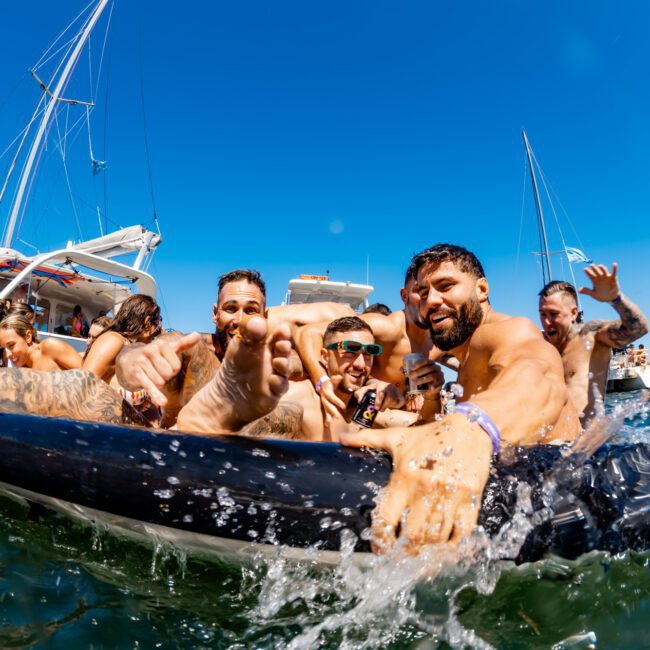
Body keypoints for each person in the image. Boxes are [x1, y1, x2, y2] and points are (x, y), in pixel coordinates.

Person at [338, 243, 580, 554]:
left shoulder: (507, 331)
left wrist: (470, 427)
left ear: (481, 289)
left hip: (558, 502)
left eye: (445, 286)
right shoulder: (466, 353)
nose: (431, 302)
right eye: (423, 293)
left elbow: (540, 377)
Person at [114, 269, 355, 429]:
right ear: (215, 313)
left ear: (265, 315)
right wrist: (135, 358)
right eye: (231, 308)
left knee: (288, 405)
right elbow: (137, 356)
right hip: (176, 442)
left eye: (251, 310)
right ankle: (199, 418)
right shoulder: (189, 346)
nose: (239, 320)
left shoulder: (278, 357)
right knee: (77, 384)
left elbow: (345, 315)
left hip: (234, 456)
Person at [295, 263, 453, 421]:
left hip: (401, 421)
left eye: (438, 290)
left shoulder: (439, 342)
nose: (430, 299)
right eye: (420, 291)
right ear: (405, 296)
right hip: (363, 416)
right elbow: (307, 333)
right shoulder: (386, 328)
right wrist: (322, 382)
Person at [260, 316, 432, 441]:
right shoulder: (298, 401)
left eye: (368, 354)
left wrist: (433, 396)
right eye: (349, 351)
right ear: (325, 357)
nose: (360, 364)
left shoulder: (366, 409)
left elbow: (429, 432)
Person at [538, 263, 648, 423]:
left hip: (589, 442)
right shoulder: (540, 346)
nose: (547, 322)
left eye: (553, 314)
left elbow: (639, 328)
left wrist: (615, 299)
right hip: (551, 443)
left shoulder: (591, 337)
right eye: (542, 314)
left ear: (573, 313)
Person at [82, 295, 162, 384]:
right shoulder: (113, 341)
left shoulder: (128, 347)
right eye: (156, 324)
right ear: (147, 321)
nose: (156, 329)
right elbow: (84, 384)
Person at [0, 313, 81, 371]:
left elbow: (90, 376)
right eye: (3, 348)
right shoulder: (21, 370)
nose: (7, 355)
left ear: (28, 337)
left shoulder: (50, 347)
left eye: (11, 345)